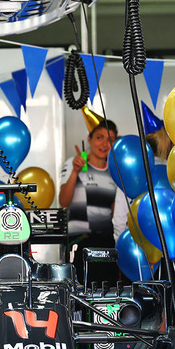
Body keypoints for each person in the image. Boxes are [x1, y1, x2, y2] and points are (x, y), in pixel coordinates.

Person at [59, 119, 119, 285]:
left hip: (107, 243)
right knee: (79, 297)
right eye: (100, 137)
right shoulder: (74, 163)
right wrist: (75, 172)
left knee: (106, 296)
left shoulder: (114, 172)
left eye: (110, 139)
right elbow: (63, 201)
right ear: (90, 139)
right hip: (78, 242)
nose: (105, 143)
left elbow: (115, 212)